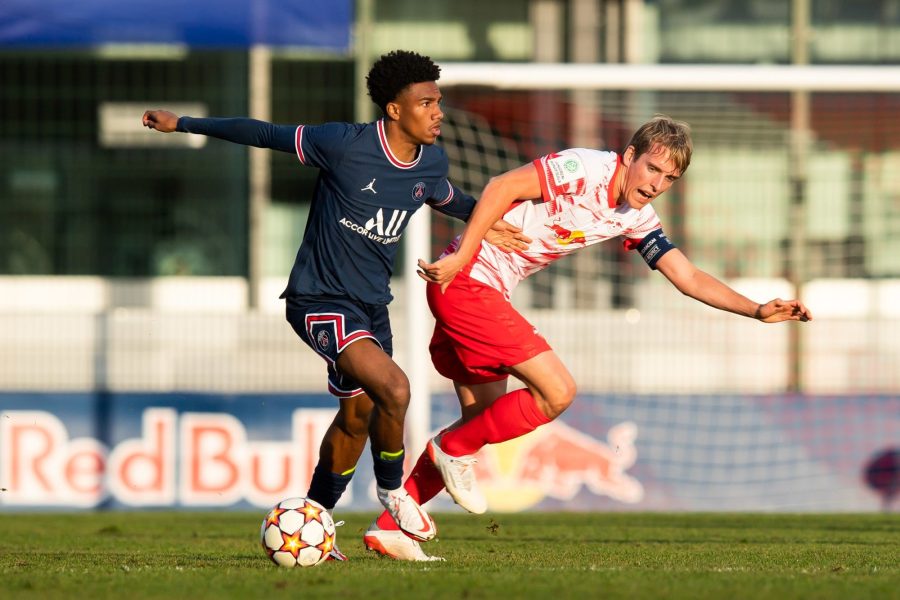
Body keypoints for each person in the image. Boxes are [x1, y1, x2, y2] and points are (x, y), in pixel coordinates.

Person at [367, 114, 813, 559]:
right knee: (557, 392)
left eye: (670, 178)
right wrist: (463, 251)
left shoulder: (636, 217)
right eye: (652, 169)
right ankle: (449, 449)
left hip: (483, 292)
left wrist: (755, 310)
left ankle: (390, 526)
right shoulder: (584, 169)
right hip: (465, 282)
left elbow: (686, 274)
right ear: (630, 156)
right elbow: (502, 186)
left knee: (479, 422)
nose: (657, 184)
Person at [142, 50, 527, 562]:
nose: (438, 111)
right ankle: (393, 492)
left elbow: (442, 195)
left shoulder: (431, 160)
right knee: (395, 387)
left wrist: (485, 218)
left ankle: (314, 525)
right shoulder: (344, 145)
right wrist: (184, 123)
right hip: (318, 298)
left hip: (371, 305)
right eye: (427, 102)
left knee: (357, 416)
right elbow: (264, 132)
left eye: (440, 101)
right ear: (394, 109)